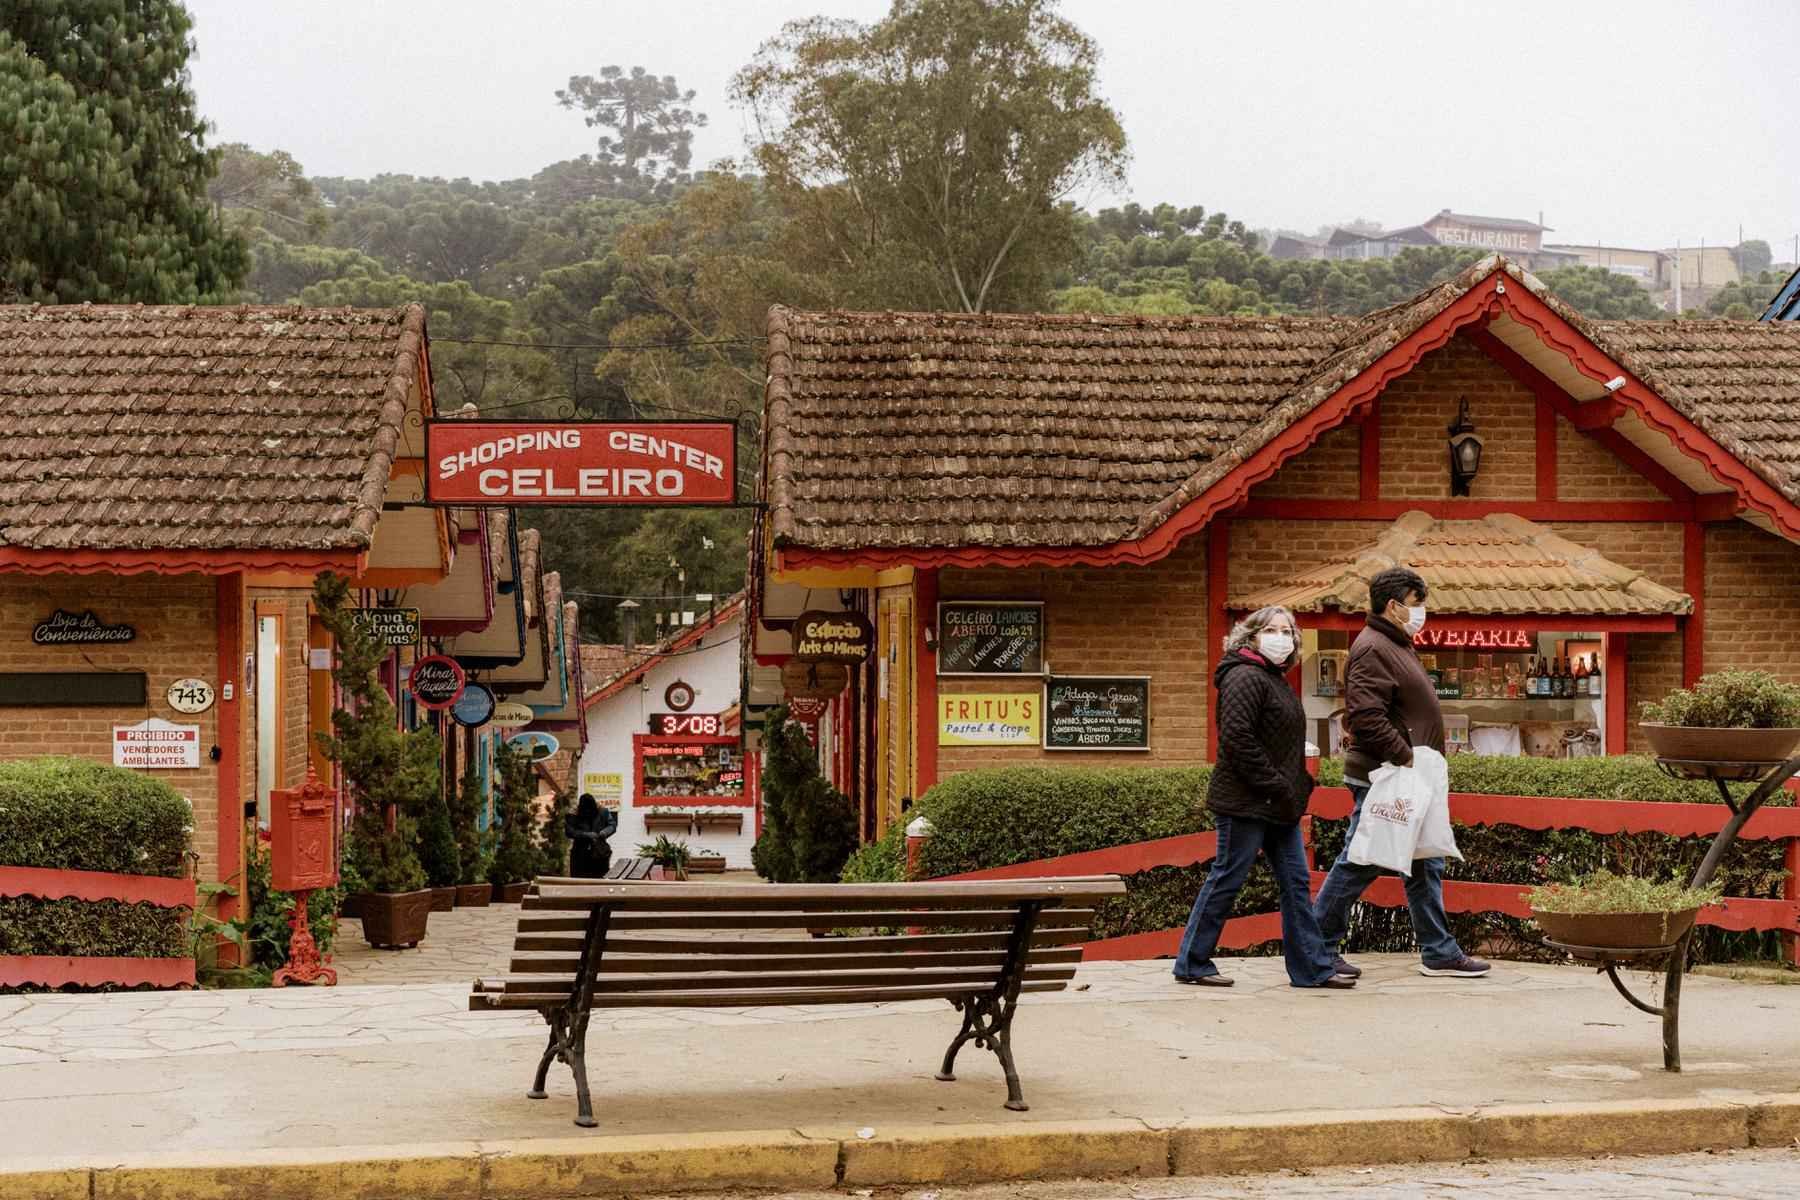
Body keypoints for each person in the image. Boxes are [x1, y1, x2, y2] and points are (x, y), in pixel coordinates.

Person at [1312, 567, 1491, 979]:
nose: (1422, 612)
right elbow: (1365, 716)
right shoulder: (1375, 647)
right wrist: (1405, 756)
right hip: (1387, 773)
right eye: (1416, 604)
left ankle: (1438, 951)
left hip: (1405, 774)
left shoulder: (1395, 643)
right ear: (1393, 606)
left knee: (1426, 860)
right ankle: (1317, 945)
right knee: (1364, 859)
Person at [1173, 605, 1353, 990]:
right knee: (1227, 878)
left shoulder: (1273, 679)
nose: (1281, 638)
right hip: (1246, 801)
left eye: (1288, 631)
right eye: (1272, 630)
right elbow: (1237, 740)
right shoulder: (1243, 677)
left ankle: (1311, 969)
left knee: (1295, 881)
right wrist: (1279, 784)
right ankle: (1192, 961)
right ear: (1252, 636)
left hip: (1278, 803)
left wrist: (1294, 785)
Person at [566, 793, 618, 879]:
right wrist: (585, 835)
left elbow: (612, 825)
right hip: (580, 854)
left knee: (599, 880)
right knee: (579, 881)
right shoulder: (573, 814)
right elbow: (569, 831)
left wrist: (604, 832)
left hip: (599, 854)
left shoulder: (603, 811)